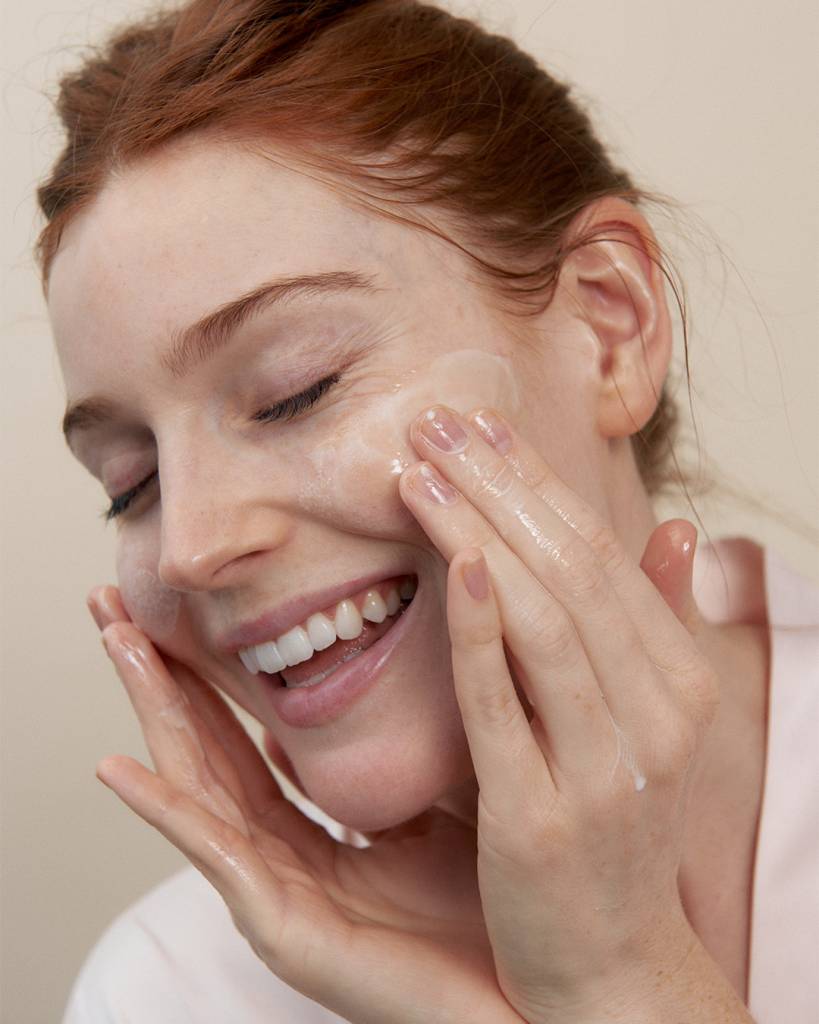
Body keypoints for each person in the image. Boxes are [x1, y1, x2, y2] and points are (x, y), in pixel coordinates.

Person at [37, 1, 817, 1021]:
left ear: (608, 325)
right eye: (130, 484)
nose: (190, 545)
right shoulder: (167, 993)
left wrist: (619, 980)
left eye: (296, 389)